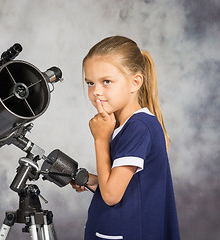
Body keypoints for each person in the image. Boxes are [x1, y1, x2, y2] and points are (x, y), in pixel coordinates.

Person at [71, 36, 180, 240]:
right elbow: (129, 185)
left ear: (135, 82)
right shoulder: (124, 125)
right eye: (90, 83)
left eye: (106, 82)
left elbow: (112, 196)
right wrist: (93, 181)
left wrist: (101, 140)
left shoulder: (139, 127)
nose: (96, 92)